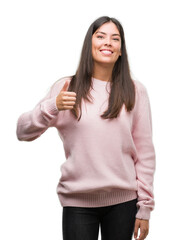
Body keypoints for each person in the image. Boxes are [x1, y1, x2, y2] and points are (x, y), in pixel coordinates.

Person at [16, 16, 156, 240]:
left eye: (115, 38)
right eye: (100, 36)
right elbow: (22, 131)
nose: (108, 42)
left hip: (123, 203)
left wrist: (145, 208)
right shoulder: (66, 88)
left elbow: (145, 153)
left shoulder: (135, 91)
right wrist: (52, 106)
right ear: (89, 45)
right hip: (77, 203)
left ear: (121, 50)